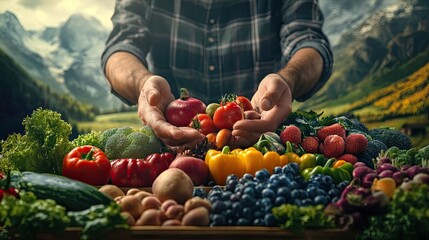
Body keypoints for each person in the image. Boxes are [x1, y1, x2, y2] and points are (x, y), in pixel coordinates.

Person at [101, 0, 333, 149]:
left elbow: (309, 40)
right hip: (170, 151)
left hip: (261, 149)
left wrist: (287, 79)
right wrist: (144, 85)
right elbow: (121, 47)